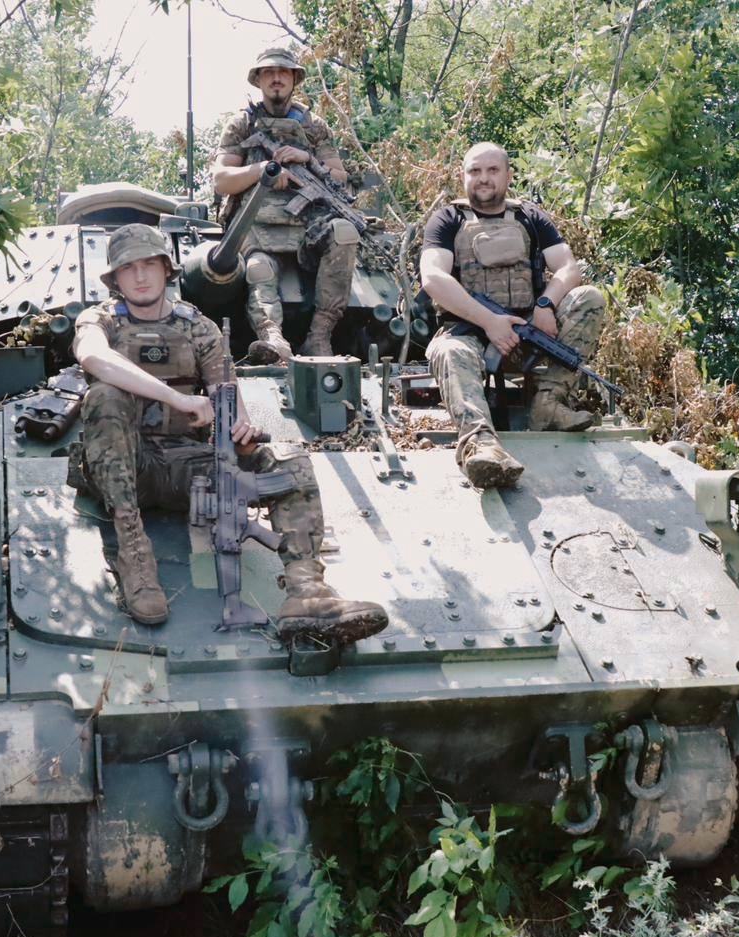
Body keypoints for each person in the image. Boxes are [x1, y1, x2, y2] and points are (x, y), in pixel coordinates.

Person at [72, 223, 387, 642]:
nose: (141, 276)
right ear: (115, 278)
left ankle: (307, 592)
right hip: (122, 468)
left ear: (167, 269)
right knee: (104, 396)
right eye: (129, 268)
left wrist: (242, 435)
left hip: (185, 467)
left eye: (149, 264)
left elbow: (227, 397)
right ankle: (135, 558)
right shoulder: (100, 320)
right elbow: (93, 357)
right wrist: (177, 398)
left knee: (288, 461)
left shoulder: (197, 327)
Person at [420, 142, 607, 489]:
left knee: (589, 298)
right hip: (470, 337)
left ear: (508, 175)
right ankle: (481, 444)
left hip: (528, 333)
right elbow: (432, 277)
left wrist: (545, 304)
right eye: (475, 171)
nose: (483, 178)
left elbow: (568, 267)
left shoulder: (529, 217)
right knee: (448, 350)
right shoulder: (448, 220)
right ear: (464, 176)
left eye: (492, 170)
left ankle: (547, 404)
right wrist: (489, 322)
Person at [212, 46, 358, 363]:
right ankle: (273, 339)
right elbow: (221, 179)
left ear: (294, 79)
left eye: (283, 72)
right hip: (256, 225)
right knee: (259, 269)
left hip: (309, 225)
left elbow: (339, 177)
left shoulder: (314, 126)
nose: (276, 78)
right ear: (258, 80)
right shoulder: (242, 124)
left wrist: (307, 160)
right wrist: (262, 172)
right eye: (269, 72)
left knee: (345, 233)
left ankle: (319, 337)